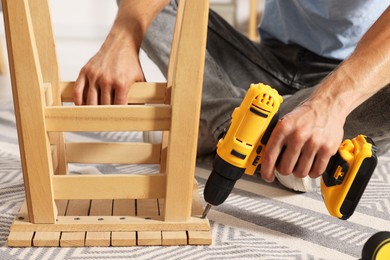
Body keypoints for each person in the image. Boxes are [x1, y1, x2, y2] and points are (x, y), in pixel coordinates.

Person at [73, 0, 390, 192]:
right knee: (146, 9)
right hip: (264, 65)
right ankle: (237, 125)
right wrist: (122, 39)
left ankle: (215, 122)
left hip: (357, 80)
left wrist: (330, 105)